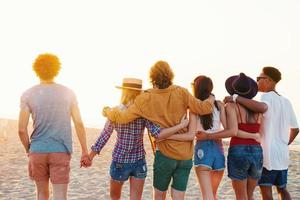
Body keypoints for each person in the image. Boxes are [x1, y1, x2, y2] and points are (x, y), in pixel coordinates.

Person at [103, 61, 215, 200]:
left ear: (152, 77)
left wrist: (108, 111)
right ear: (170, 75)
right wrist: (211, 98)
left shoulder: (146, 97)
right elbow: (204, 108)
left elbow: (123, 117)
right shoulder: (181, 92)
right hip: (185, 156)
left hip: (165, 154)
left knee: (160, 195)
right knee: (179, 196)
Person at [88, 77, 189, 200]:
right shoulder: (144, 112)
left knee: (114, 198)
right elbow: (158, 133)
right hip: (138, 162)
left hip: (120, 161)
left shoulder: (114, 112)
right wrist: (181, 125)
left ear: (123, 92)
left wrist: (90, 156)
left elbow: (104, 136)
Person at [18, 53, 90, 200]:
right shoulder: (68, 93)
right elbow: (79, 123)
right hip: (60, 150)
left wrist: (29, 149)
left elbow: (21, 130)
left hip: (37, 150)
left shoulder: (28, 94)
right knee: (60, 196)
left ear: (36, 69)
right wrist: (84, 151)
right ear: (57, 69)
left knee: (41, 194)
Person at [225, 67, 299, 200]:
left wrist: (236, 98)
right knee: (283, 189)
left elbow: (260, 108)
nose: (257, 82)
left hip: (267, 154)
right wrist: (285, 143)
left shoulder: (265, 97)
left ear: (269, 80)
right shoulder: (286, 101)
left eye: (259, 79)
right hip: (282, 154)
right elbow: (295, 129)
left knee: (266, 190)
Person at [198, 73, 264, 200]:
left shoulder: (231, 106)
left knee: (240, 196)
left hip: (238, 149)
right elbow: (261, 133)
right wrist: (254, 135)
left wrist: (207, 136)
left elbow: (232, 130)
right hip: (257, 150)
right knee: (250, 195)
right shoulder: (258, 109)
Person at [161, 75, 227, 200]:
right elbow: (228, 129)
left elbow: (191, 135)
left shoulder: (194, 108)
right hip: (219, 149)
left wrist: (168, 136)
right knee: (213, 195)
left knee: (207, 196)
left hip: (203, 149)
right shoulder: (219, 105)